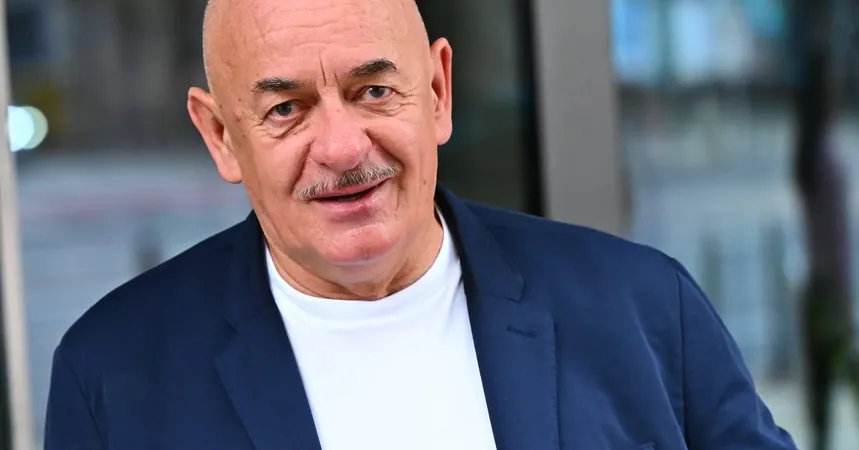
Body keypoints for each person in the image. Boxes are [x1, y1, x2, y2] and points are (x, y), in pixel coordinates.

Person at [44, 0, 797, 448]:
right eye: (286, 108)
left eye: (373, 91)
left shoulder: (642, 306)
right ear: (220, 136)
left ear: (437, 90)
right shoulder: (114, 373)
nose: (343, 148)